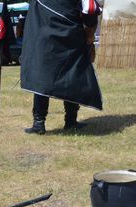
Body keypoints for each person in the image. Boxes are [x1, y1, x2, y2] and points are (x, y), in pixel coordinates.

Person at [21, 0, 102, 134]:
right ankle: (70, 121)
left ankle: (39, 122)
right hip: (70, 37)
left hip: (44, 37)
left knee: (43, 77)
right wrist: (90, 31)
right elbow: (91, 8)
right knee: (71, 76)